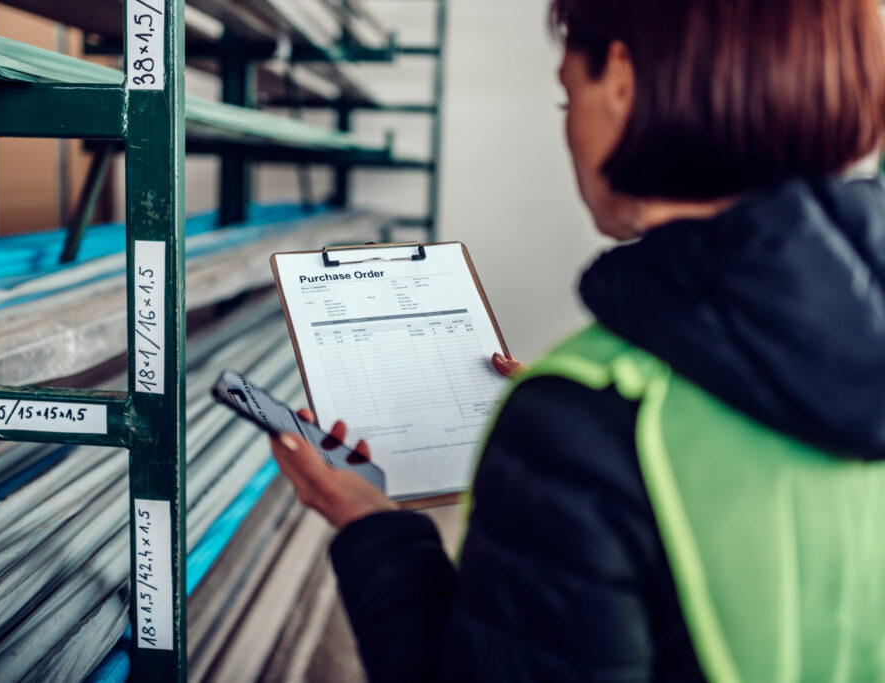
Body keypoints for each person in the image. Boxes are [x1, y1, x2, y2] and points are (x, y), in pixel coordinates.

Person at [271, 0, 885, 680]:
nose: (569, 132)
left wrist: (372, 525)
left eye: (569, 97)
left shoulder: (575, 429)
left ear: (620, 80)